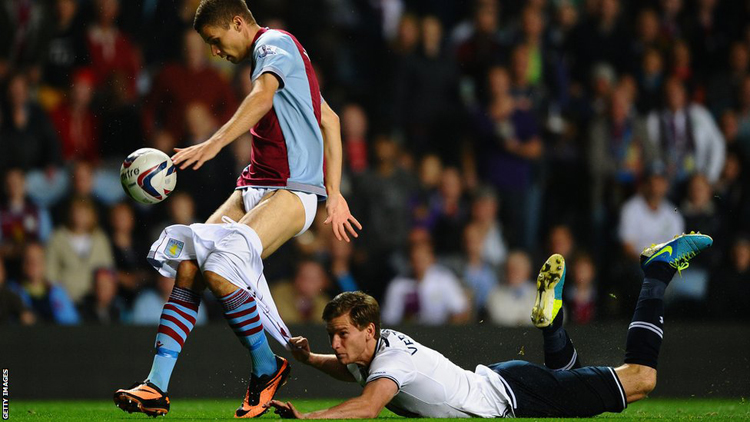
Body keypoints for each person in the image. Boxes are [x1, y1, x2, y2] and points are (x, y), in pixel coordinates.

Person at [113, 0, 360, 418]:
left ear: (237, 22)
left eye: (215, 40)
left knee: (222, 268)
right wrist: (335, 192)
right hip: (253, 184)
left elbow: (263, 96)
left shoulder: (273, 44)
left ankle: (267, 368)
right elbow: (330, 120)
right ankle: (156, 385)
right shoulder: (276, 59)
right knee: (190, 262)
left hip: (291, 191)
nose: (214, 51)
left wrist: (212, 143)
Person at [267, 232, 713, 418]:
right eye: (332, 335)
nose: (336, 343)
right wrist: (311, 359)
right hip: (505, 381)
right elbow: (349, 367)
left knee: (642, 379)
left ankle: (657, 272)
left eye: (341, 334)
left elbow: (367, 406)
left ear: (368, 329)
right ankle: (552, 321)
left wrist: (308, 417)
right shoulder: (372, 350)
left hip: (512, 394)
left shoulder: (391, 363)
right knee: (569, 381)